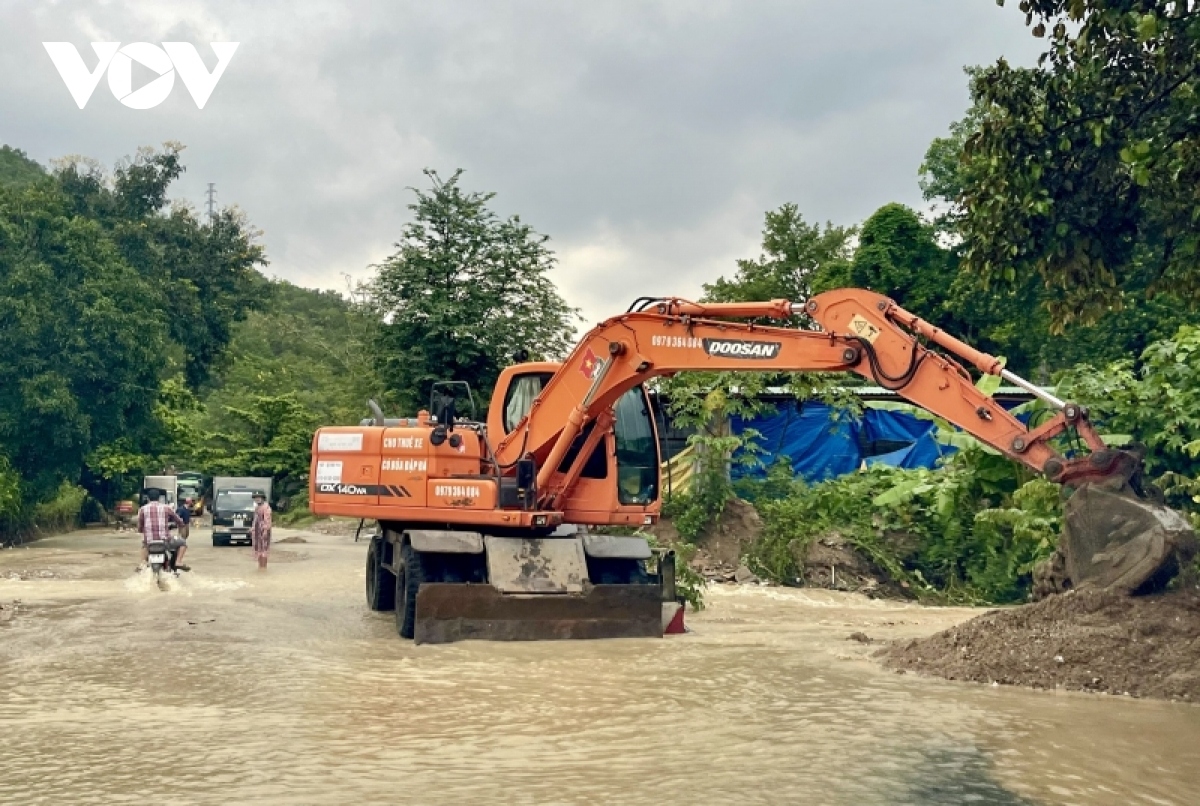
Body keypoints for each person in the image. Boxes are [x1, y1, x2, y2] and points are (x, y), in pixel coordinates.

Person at [137, 488, 183, 571]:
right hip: (165, 541)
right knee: (183, 543)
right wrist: (180, 525)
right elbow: (178, 520)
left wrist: (141, 530)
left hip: (149, 542)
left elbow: (140, 526)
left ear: (148, 498)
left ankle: (143, 563)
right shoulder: (166, 508)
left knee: (144, 545)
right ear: (159, 498)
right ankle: (178, 562)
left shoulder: (142, 509)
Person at [251, 492, 273, 570]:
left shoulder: (266, 507)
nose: (257, 499)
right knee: (258, 549)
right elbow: (255, 520)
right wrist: (253, 529)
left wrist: (265, 531)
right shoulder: (257, 507)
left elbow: (267, 520)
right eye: (255, 498)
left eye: (258, 497)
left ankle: (263, 568)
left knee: (264, 549)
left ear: (263, 498)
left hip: (264, 531)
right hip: (257, 531)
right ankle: (260, 567)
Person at [172, 497, 193, 571]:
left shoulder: (188, 509)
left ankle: (182, 547)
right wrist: (179, 524)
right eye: (190, 501)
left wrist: (191, 522)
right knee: (182, 536)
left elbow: (188, 516)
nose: (191, 502)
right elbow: (177, 516)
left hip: (186, 524)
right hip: (182, 525)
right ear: (188, 502)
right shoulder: (181, 509)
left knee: (186, 535)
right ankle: (180, 547)